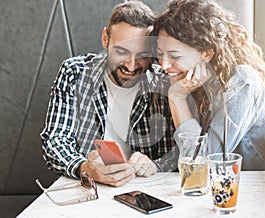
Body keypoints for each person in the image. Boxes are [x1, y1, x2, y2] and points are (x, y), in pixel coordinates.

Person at [40, 1, 177, 187]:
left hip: (144, 189)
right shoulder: (75, 73)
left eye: (143, 54)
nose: (131, 66)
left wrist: (156, 165)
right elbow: (56, 140)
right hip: (88, 187)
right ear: (106, 39)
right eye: (122, 51)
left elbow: (181, 151)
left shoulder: (163, 82)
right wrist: (84, 168)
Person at [151, 0, 265, 170]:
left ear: (207, 53)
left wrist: (177, 97)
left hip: (245, 187)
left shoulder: (242, 82)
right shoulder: (191, 80)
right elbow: (183, 150)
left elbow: (203, 164)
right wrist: (152, 166)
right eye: (160, 53)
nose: (164, 65)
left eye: (175, 56)